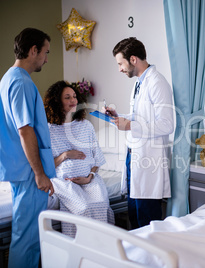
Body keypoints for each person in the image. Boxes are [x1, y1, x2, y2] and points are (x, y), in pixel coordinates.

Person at [103, 37, 174, 229]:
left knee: (147, 223)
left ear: (133, 59)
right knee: (134, 220)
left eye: (120, 63)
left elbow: (167, 125)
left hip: (147, 162)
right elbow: (140, 117)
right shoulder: (138, 84)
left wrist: (130, 126)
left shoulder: (157, 83)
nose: (120, 69)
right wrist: (119, 117)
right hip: (133, 157)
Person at [0, 28, 55, 268]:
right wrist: (40, 173)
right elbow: (25, 130)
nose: (46, 58)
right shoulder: (21, 82)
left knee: (26, 236)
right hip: (29, 172)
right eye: (45, 52)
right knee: (28, 239)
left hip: (19, 169)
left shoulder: (9, 78)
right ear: (33, 50)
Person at [44, 80, 114, 237]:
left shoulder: (85, 125)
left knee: (101, 204)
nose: (73, 100)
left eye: (74, 96)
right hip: (64, 181)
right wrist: (65, 155)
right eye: (67, 97)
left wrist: (90, 177)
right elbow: (45, 166)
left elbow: (97, 159)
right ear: (57, 101)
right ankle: (80, 249)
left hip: (90, 179)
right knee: (82, 208)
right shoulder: (49, 130)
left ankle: (103, 247)